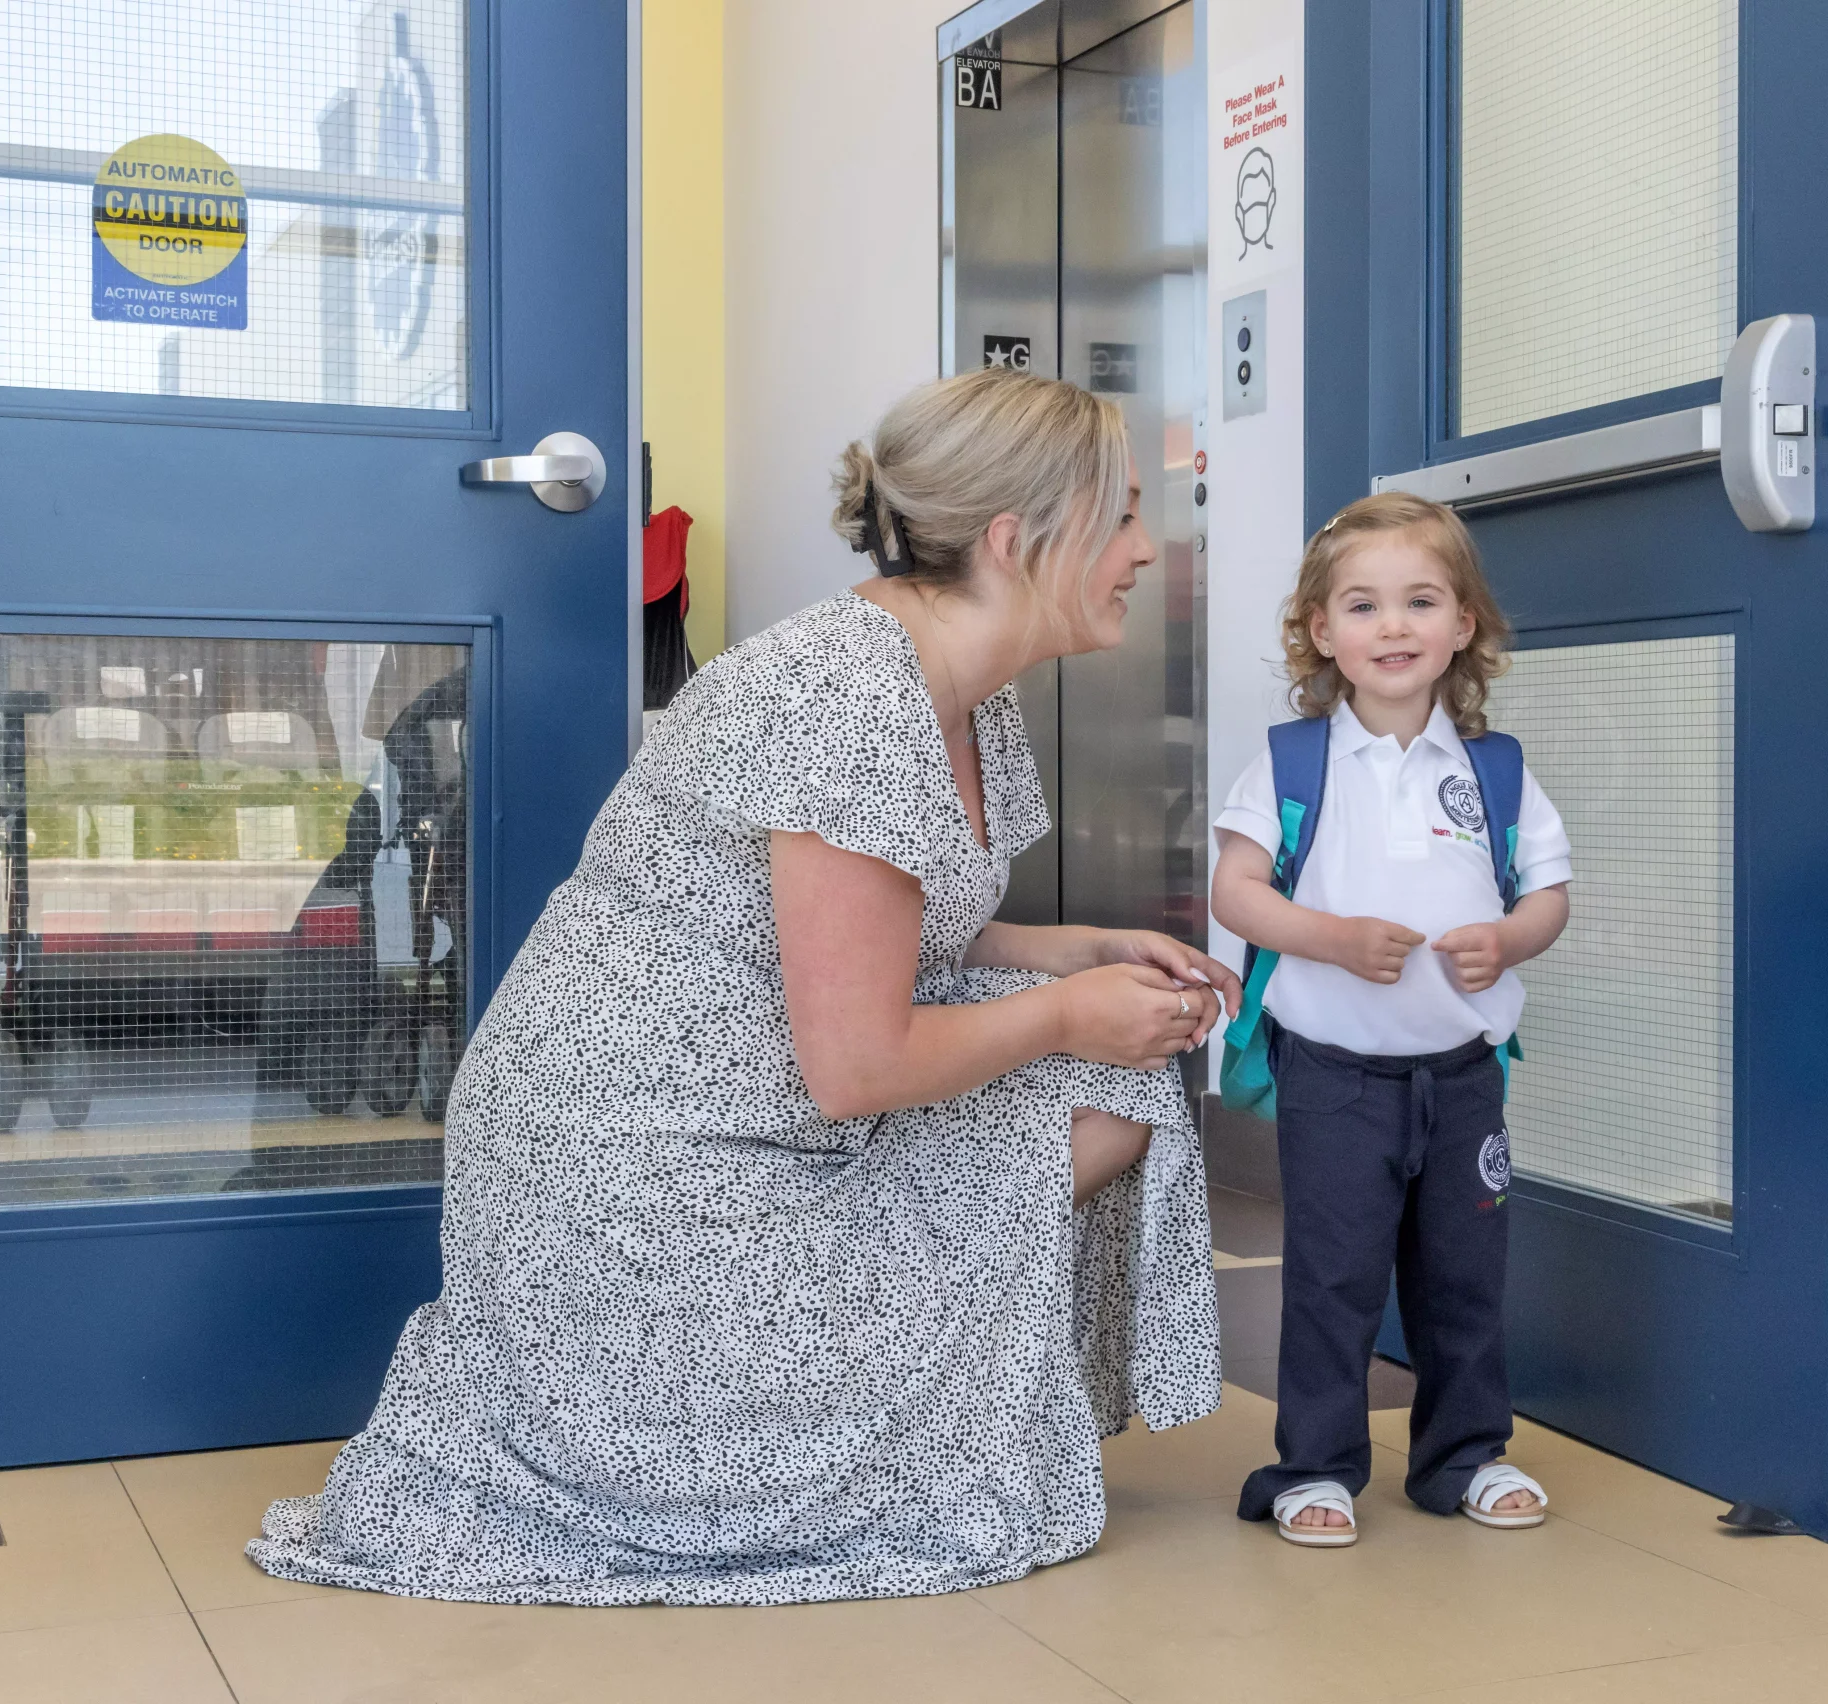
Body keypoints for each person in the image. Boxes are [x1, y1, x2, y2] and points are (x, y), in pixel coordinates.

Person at [248, 369, 1236, 1605]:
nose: (1148, 549)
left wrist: (1065, 951)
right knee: (1098, 1075)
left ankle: (906, 1414)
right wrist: (1065, 1013)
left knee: (1112, 1077)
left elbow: (885, 937)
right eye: (1127, 514)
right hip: (639, 1181)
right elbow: (858, 1066)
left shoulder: (955, 695)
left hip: (759, 1111)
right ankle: (799, 1431)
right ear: (1014, 537)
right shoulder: (848, 697)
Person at [1211, 492, 1572, 1547]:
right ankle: (1313, 1467)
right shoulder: (1290, 763)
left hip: (1462, 1076)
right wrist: (1325, 938)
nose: (1394, 626)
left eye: (1421, 601)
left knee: (1465, 1277)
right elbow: (1239, 892)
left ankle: (1465, 1455)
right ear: (1322, 632)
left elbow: (1546, 892)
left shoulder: (1492, 770)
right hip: (1336, 1073)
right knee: (1333, 1274)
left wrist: (1507, 942)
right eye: (1363, 606)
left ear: (1463, 623)